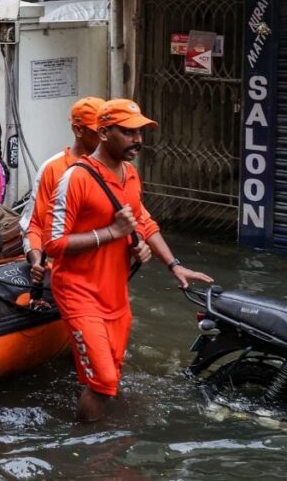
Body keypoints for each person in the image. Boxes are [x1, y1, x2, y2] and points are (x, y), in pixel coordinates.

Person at [44, 99, 214, 422]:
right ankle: (84, 459)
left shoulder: (131, 175)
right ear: (104, 133)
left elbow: (143, 223)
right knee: (105, 382)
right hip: (78, 292)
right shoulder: (75, 178)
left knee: (107, 379)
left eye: (140, 132)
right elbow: (53, 243)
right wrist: (112, 233)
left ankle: (97, 438)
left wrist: (174, 264)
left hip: (116, 293)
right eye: (128, 132)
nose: (138, 140)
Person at [19, 97, 105, 286]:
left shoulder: (115, 167)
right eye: (99, 131)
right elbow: (34, 225)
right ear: (78, 130)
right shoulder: (52, 169)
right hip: (65, 270)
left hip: (103, 271)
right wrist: (36, 261)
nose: (105, 137)